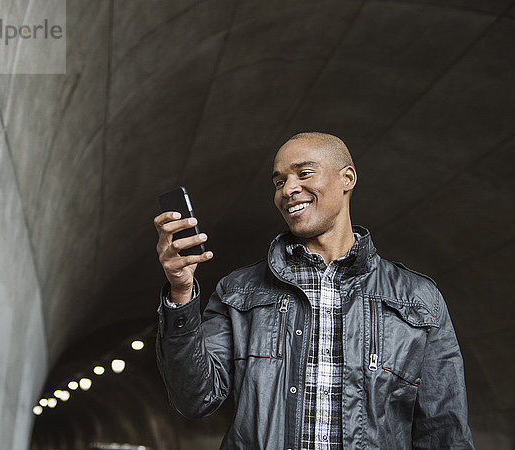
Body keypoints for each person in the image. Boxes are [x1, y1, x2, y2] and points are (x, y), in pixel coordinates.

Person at [153, 132, 474, 449]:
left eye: (303, 174)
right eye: (279, 182)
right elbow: (194, 398)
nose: (288, 189)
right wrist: (181, 292)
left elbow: (444, 430)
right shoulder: (238, 291)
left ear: (347, 178)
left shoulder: (417, 298)